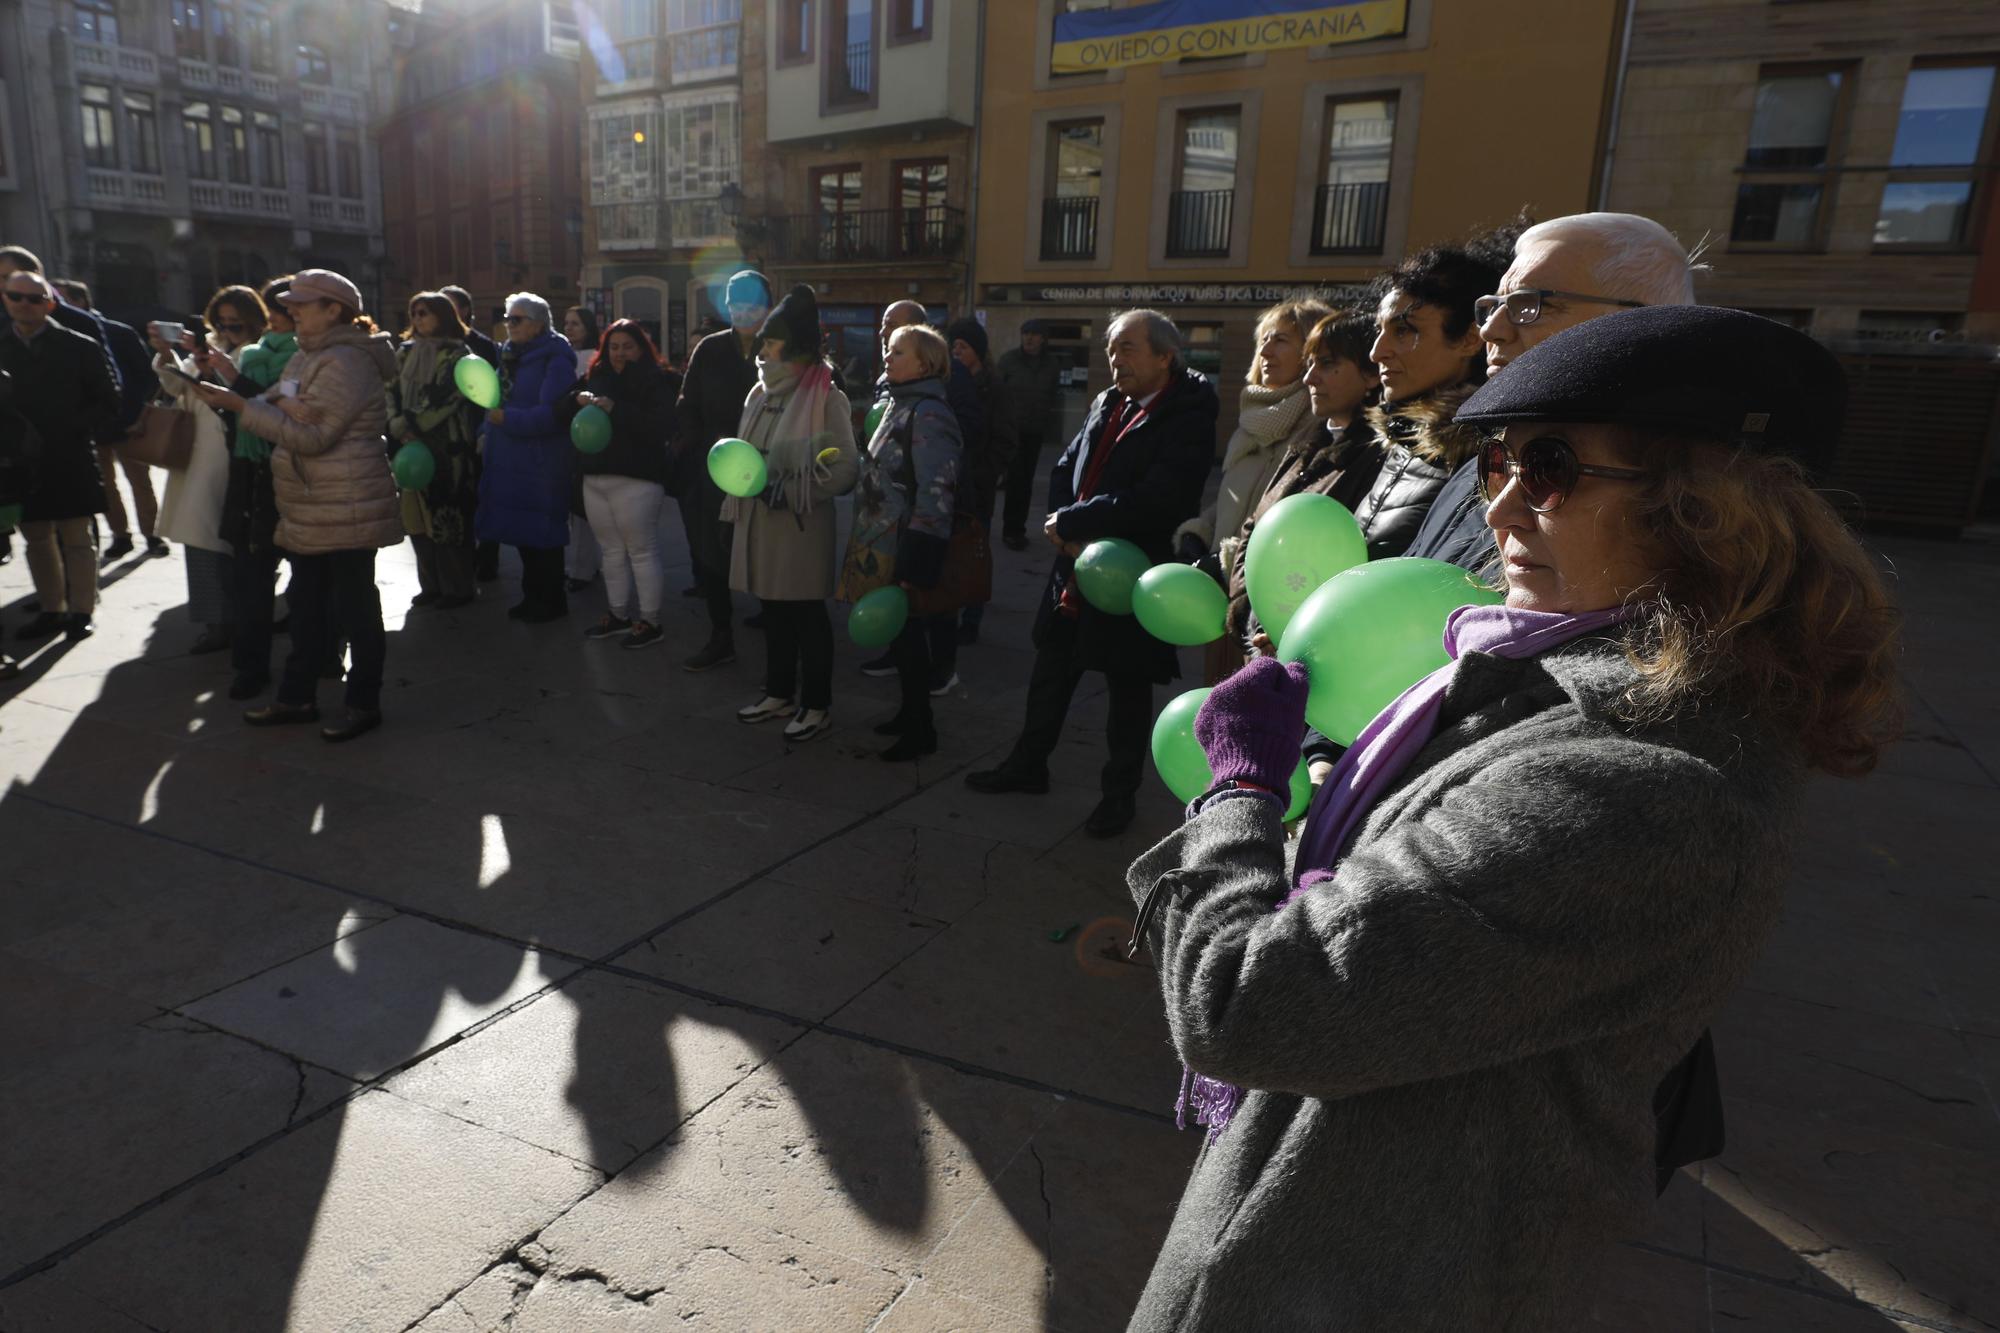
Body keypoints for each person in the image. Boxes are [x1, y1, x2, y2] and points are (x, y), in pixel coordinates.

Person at [1119, 305, 1902, 1330]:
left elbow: (1248, 1001)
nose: (1497, 510)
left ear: (1705, 510)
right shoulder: (1555, 679)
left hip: (1343, 1283)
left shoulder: (1643, 787)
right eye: (1491, 468)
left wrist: (1235, 793)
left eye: (1548, 468)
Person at [965, 309, 1218, 838]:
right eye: (1111, 347)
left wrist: (1079, 519)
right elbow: (1066, 465)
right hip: (1077, 566)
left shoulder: (1188, 412)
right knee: (1051, 669)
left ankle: (1118, 796)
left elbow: (1161, 496)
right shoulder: (1108, 400)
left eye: (1127, 348)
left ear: (1164, 356)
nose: (1114, 358)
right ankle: (1027, 765)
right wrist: (1063, 521)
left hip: (1132, 573)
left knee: (1126, 687)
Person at [1407, 212, 1702, 574]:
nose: (1491, 331)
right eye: (1493, 306)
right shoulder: (1482, 463)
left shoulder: (1672, 503)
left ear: (1642, 321)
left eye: (1532, 305)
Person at [192, 269, 401, 742]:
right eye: (292, 304)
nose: (291, 311)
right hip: (312, 504)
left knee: (355, 609)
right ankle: (296, 697)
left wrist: (247, 408)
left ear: (334, 310)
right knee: (306, 606)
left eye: (303, 304)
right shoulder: (311, 355)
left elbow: (314, 435)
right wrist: (273, 403)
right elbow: (279, 397)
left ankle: (363, 703)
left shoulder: (345, 360)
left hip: (346, 503)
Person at [727, 284, 858, 742]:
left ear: (794, 346)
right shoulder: (757, 394)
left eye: (771, 342)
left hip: (800, 525)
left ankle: (816, 704)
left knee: (806, 616)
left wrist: (798, 492)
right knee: (772, 612)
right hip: (759, 522)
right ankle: (779, 691)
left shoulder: (827, 398)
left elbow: (845, 467)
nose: (762, 351)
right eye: (762, 342)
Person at [1179, 297, 1333, 681]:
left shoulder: (1319, 425)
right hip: (1221, 594)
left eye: (1280, 340)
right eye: (1263, 339)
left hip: (1268, 607)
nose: (1265, 350)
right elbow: (1232, 495)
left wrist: (1232, 561)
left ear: (1312, 350)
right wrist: (1199, 532)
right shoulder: (1251, 420)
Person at [1223, 308, 1382, 658]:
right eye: (1310, 363)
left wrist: (1284, 629)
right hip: (1261, 637)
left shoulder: (1375, 457)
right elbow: (1256, 525)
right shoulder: (1307, 442)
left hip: (1309, 651)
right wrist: (1245, 606)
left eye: (1327, 364)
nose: (1310, 378)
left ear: (1371, 375)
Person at [842, 323, 962, 760]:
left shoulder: (929, 411)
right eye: (888, 351)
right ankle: (910, 713)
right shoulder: (896, 402)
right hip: (883, 539)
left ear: (924, 363)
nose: (886, 358)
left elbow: (937, 488)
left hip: (906, 544)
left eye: (897, 352)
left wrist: (918, 561)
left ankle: (921, 728)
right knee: (901, 637)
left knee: (911, 639)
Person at [1350, 239, 1508, 558]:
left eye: (1404, 331)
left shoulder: (1489, 463)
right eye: (1379, 330)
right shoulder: (1404, 436)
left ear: (1469, 339)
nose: (1376, 352)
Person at [150, 284, 269, 655]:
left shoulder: (257, 353)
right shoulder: (206, 347)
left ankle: (231, 622)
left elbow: (251, 396)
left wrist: (213, 373)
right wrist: (167, 353)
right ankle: (216, 622)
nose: (228, 330)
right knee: (200, 540)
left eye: (236, 324)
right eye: (222, 322)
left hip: (230, 454)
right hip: (196, 451)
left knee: (219, 539)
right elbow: (175, 386)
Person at [0, 270, 117, 641]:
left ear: (50, 303)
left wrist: (73, 426)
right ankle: (52, 608)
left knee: (77, 536)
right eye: (16, 296)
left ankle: (81, 610)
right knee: (36, 537)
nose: (24, 305)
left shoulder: (79, 345)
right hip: (21, 461)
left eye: (34, 299)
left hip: (70, 454)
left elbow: (109, 398)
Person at [673, 269, 770, 672]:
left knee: (767, 551)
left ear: (767, 306)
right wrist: (701, 446)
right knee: (712, 553)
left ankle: (776, 620)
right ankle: (721, 634)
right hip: (714, 466)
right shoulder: (710, 349)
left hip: (767, 467)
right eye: (737, 303)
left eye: (753, 303)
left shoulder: (782, 347)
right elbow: (687, 403)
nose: (745, 311)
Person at [568, 318, 679, 649]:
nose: (619, 353)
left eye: (627, 346)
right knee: (611, 551)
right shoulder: (596, 378)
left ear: (642, 348)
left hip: (637, 478)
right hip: (595, 476)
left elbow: (660, 426)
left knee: (641, 551)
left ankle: (651, 621)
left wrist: (616, 409)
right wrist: (577, 400)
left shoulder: (657, 381)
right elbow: (563, 407)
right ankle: (617, 614)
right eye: (613, 347)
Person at [217, 274, 299, 699]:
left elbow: (284, 412)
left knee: (306, 577)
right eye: (278, 308)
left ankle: (314, 658)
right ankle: (250, 665)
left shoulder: (307, 356)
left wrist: (233, 386)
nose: (282, 316)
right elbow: (243, 415)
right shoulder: (254, 353)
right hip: (249, 469)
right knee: (250, 577)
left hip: (291, 471)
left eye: (289, 308)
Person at [475, 291, 578, 623]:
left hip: (539, 460)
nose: (509, 325)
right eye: (507, 318)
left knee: (544, 536)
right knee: (522, 534)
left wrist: (509, 421)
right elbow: (491, 398)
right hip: (508, 458)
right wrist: (484, 432)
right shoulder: (507, 355)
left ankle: (551, 600)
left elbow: (553, 415)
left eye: (516, 319)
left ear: (537, 324)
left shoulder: (556, 358)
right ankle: (531, 596)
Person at [54, 277, 161, 559]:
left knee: (140, 481)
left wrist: (141, 413)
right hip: (94, 425)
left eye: (62, 300)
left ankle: (152, 535)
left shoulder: (119, 333)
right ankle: (120, 536)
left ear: (81, 302)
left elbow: (147, 377)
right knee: (106, 486)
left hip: (129, 422)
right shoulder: (59, 339)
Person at [388, 292, 480, 608]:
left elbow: (450, 397)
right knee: (416, 520)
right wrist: (397, 423)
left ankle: (458, 588)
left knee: (448, 520)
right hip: (408, 447)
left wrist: (412, 423)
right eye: (413, 313)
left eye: (424, 312)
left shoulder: (458, 356)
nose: (418, 319)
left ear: (443, 315)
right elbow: (391, 389)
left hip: (447, 447)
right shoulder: (403, 353)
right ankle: (431, 586)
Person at [937, 316, 1014, 661]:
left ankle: (972, 617)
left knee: (975, 551)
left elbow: (1004, 438)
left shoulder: (994, 388)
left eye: (963, 347)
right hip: (952, 483)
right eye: (952, 346)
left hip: (977, 484)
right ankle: (949, 610)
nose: (956, 352)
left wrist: (986, 473)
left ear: (979, 353)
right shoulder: (949, 383)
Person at [442, 284, 503, 584]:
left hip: (476, 430)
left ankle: (488, 559)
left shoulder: (482, 345)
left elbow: (491, 389)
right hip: (446, 435)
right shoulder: (431, 345)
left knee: (484, 496)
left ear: (465, 310)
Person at [997, 318, 1063, 552]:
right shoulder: (1008, 361)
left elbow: (1052, 395)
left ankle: (1018, 529)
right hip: (1010, 430)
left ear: (1043, 339)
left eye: (1034, 334)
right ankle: (1010, 531)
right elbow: (996, 394)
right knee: (1014, 481)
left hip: (1034, 432)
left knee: (1025, 483)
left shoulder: (1051, 365)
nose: (1029, 338)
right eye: (1026, 334)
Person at [561, 304, 603, 592]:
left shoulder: (591, 359)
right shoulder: (563, 354)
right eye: (566, 323)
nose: (569, 328)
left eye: (575, 323)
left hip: (584, 438)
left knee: (582, 510)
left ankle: (581, 568)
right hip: (566, 437)